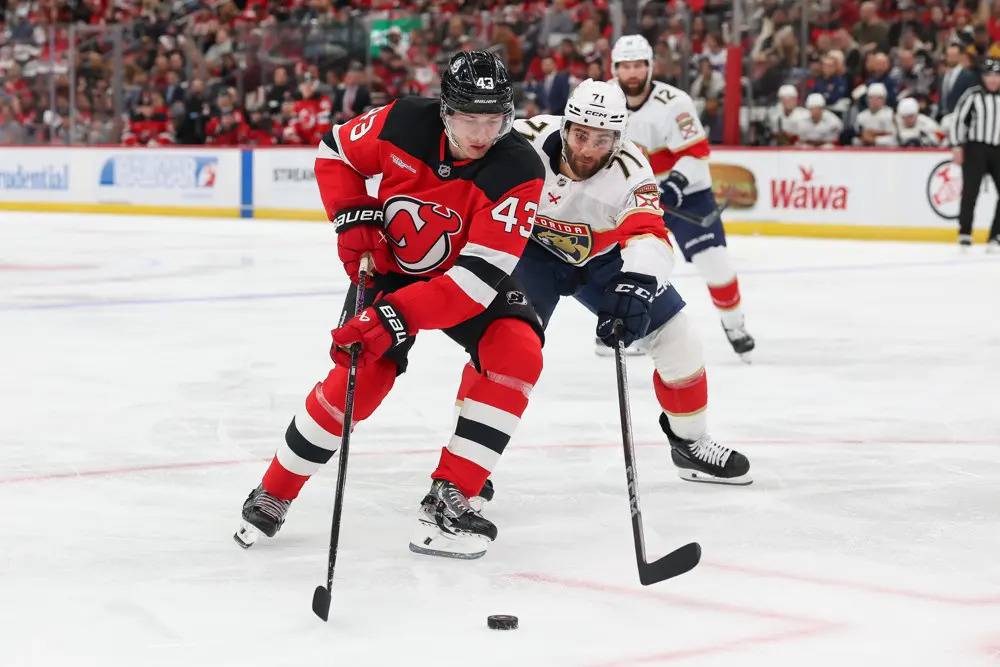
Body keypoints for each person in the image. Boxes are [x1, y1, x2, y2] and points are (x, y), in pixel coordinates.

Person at [234, 51, 546, 559]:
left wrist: (399, 315)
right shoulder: (402, 121)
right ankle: (275, 489)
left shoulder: (519, 168)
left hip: (464, 279)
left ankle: (453, 491)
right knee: (361, 378)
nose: (483, 133)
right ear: (446, 111)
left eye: (494, 120)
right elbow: (335, 150)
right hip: (388, 270)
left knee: (518, 352)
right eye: (470, 118)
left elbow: (479, 279)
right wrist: (352, 215)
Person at [511, 79, 751, 484]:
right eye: (581, 134)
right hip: (531, 254)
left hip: (603, 259)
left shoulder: (633, 169)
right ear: (565, 124)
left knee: (679, 339)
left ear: (619, 138)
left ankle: (690, 443)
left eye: (602, 139)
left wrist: (636, 283)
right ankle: (467, 470)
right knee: (505, 351)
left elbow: (649, 235)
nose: (588, 149)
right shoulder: (524, 138)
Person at [610, 34, 755, 361]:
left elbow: (695, 152)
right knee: (631, 266)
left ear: (651, 67)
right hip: (634, 198)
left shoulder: (674, 103)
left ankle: (734, 324)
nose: (632, 73)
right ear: (614, 68)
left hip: (687, 194)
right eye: (625, 66)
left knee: (716, 264)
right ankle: (628, 327)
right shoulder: (605, 100)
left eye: (638, 65)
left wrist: (673, 183)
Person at [950, 58, 1000, 252]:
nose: (993, 80)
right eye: (989, 75)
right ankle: (965, 234)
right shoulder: (973, 95)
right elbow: (958, 120)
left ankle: (995, 236)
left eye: (997, 75)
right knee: (971, 192)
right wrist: (956, 146)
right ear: (982, 77)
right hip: (975, 148)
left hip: (998, 149)